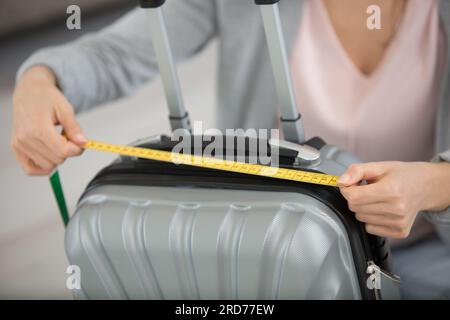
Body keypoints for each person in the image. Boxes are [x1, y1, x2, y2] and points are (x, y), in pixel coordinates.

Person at [11, 0, 450, 299]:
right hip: (269, 256)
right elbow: (115, 53)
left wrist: (432, 186)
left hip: (433, 257)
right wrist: (38, 82)